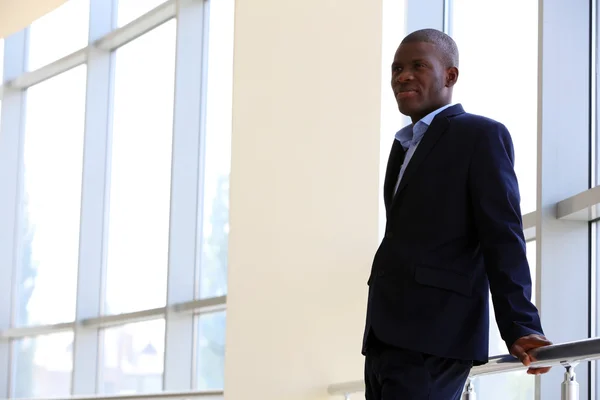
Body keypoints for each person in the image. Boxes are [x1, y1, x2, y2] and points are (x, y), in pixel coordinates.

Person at [361, 28, 551, 399]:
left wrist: (521, 326)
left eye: (418, 65)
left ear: (450, 76)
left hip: (435, 336)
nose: (402, 75)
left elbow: (502, 235)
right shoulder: (403, 147)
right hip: (385, 338)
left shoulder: (480, 135)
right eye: (396, 68)